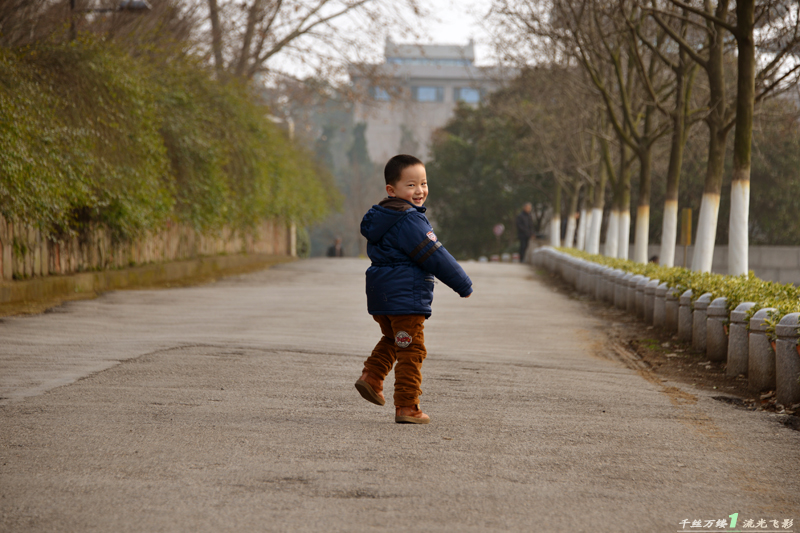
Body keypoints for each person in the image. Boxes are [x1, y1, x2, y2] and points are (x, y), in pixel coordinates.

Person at [355, 154, 473, 424]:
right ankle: (407, 406)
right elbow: (435, 255)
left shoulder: (381, 219)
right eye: (411, 185)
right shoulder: (409, 221)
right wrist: (462, 283)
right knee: (412, 348)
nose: (419, 191)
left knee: (395, 340)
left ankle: (371, 377)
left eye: (424, 183)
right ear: (391, 190)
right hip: (405, 297)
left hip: (381, 296)